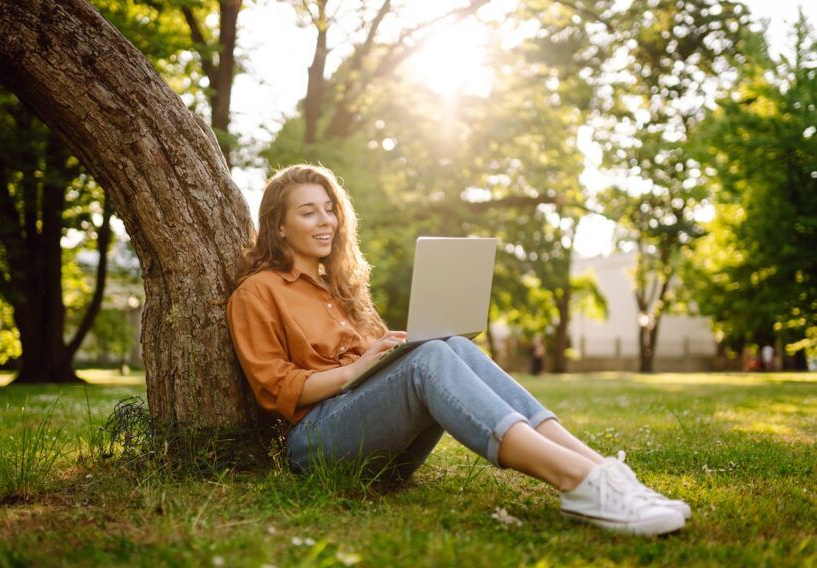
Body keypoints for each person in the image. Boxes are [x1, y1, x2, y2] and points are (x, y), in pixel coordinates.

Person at [227, 164, 690, 536]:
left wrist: (397, 349)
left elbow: (384, 372)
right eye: (308, 212)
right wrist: (354, 373)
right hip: (319, 446)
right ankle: (579, 484)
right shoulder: (258, 292)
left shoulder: (342, 287)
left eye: (329, 209)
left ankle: (603, 472)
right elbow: (274, 388)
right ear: (280, 227)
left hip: (384, 448)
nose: (325, 220)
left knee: (443, 343)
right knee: (429, 357)